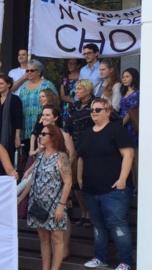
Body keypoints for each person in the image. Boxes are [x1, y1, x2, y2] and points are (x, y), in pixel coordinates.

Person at [78, 98, 134, 270]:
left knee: (118, 225)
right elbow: (81, 157)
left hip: (114, 190)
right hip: (91, 189)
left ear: (108, 111)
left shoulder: (117, 129)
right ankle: (100, 258)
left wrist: (123, 179)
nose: (94, 112)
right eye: (92, 110)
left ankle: (125, 262)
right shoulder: (86, 133)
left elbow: (129, 154)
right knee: (98, 226)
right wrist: (80, 179)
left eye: (98, 109)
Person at [19, 124, 72, 270]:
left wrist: (61, 206)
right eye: (41, 133)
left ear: (53, 137)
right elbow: (32, 180)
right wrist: (21, 198)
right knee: (43, 239)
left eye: (44, 134)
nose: (40, 136)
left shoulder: (61, 156)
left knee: (57, 239)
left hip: (55, 204)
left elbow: (68, 183)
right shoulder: (40, 156)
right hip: (37, 204)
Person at [64, 79, 95, 227]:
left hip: (91, 147)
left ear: (88, 90)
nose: (77, 91)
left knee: (87, 181)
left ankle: (91, 213)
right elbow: (67, 129)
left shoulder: (95, 104)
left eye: (80, 89)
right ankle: (83, 213)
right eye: (76, 88)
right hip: (74, 147)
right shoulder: (73, 106)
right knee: (76, 183)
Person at [18, 59, 57, 152]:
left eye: (32, 70)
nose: (29, 73)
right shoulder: (23, 87)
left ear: (39, 72)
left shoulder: (47, 85)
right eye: (27, 70)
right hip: (26, 131)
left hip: (43, 129)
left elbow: (55, 104)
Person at [0, 74, 23, 162]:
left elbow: (18, 120)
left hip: (9, 135)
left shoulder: (15, 100)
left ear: (8, 85)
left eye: (1, 83)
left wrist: (17, 136)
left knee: (8, 159)